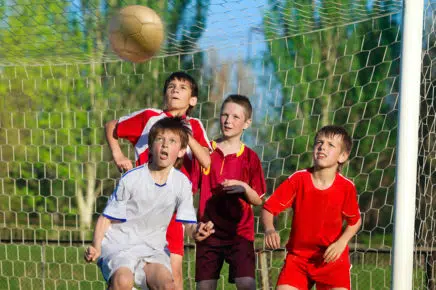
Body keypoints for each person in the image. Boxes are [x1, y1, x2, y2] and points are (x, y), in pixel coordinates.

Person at [105, 71, 211, 289]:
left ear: (193, 100)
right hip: (138, 208)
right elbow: (111, 126)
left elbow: (206, 161)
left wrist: (183, 132)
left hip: (172, 211)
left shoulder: (195, 127)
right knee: (123, 275)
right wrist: (118, 154)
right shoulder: (149, 117)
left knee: (173, 277)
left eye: (182, 87)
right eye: (171, 86)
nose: (175, 90)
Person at [85, 117, 214, 290]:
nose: (165, 145)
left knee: (168, 285)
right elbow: (105, 218)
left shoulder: (182, 183)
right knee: (123, 281)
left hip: (153, 248)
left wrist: (198, 230)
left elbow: (188, 224)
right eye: (160, 139)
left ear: (182, 150)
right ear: (151, 147)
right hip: (119, 244)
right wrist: (96, 247)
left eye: (172, 141)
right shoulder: (132, 178)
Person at [261, 125, 362, 290]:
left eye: (331, 144)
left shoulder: (346, 188)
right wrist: (269, 229)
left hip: (332, 260)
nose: (322, 146)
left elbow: (355, 221)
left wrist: (342, 242)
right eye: (319, 142)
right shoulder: (298, 180)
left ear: (343, 156)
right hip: (298, 260)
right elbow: (268, 208)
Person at [195, 94, 267, 290]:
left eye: (235, 117)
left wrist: (243, 187)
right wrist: (193, 226)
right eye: (224, 115)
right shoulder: (205, 151)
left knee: (246, 284)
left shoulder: (251, 158)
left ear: (247, 123)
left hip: (240, 233)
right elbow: (188, 189)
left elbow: (258, 199)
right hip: (208, 231)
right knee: (204, 287)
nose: (228, 121)